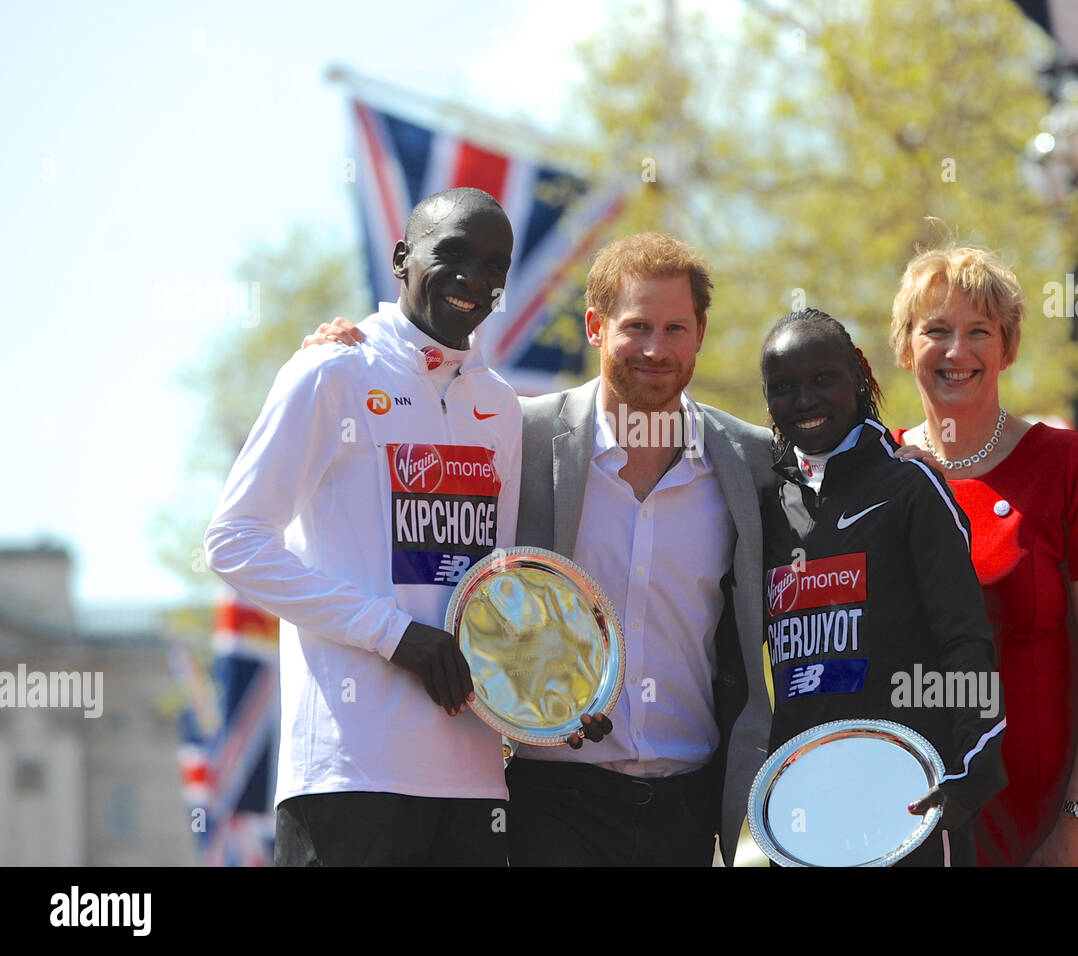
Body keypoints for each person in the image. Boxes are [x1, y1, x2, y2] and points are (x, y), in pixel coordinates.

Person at [306, 233, 775, 867]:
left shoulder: (748, 460)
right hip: (550, 798)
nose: (656, 348)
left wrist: (913, 453)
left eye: (674, 327)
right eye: (636, 326)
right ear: (595, 326)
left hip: (689, 806)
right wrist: (346, 355)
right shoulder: (517, 435)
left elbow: (839, 482)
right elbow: (413, 427)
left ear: (700, 333)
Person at [206, 187, 538, 866]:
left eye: (495, 263)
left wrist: (552, 701)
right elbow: (234, 542)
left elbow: (492, 587)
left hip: (475, 779)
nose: (475, 278)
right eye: (452, 254)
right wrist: (394, 635)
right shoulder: (333, 369)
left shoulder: (500, 405)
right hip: (348, 774)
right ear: (401, 257)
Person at [889, 245, 1078, 866]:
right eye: (936, 331)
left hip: (1051, 818)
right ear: (905, 345)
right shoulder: (879, 476)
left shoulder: (1065, 464)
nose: (957, 352)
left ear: (1007, 347)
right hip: (919, 816)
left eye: (980, 332)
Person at [760, 307, 1006, 866]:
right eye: (784, 388)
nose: (805, 401)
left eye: (823, 379)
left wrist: (969, 772)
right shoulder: (766, 504)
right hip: (803, 814)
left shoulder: (910, 486)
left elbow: (965, 638)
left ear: (859, 374)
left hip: (911, 804)